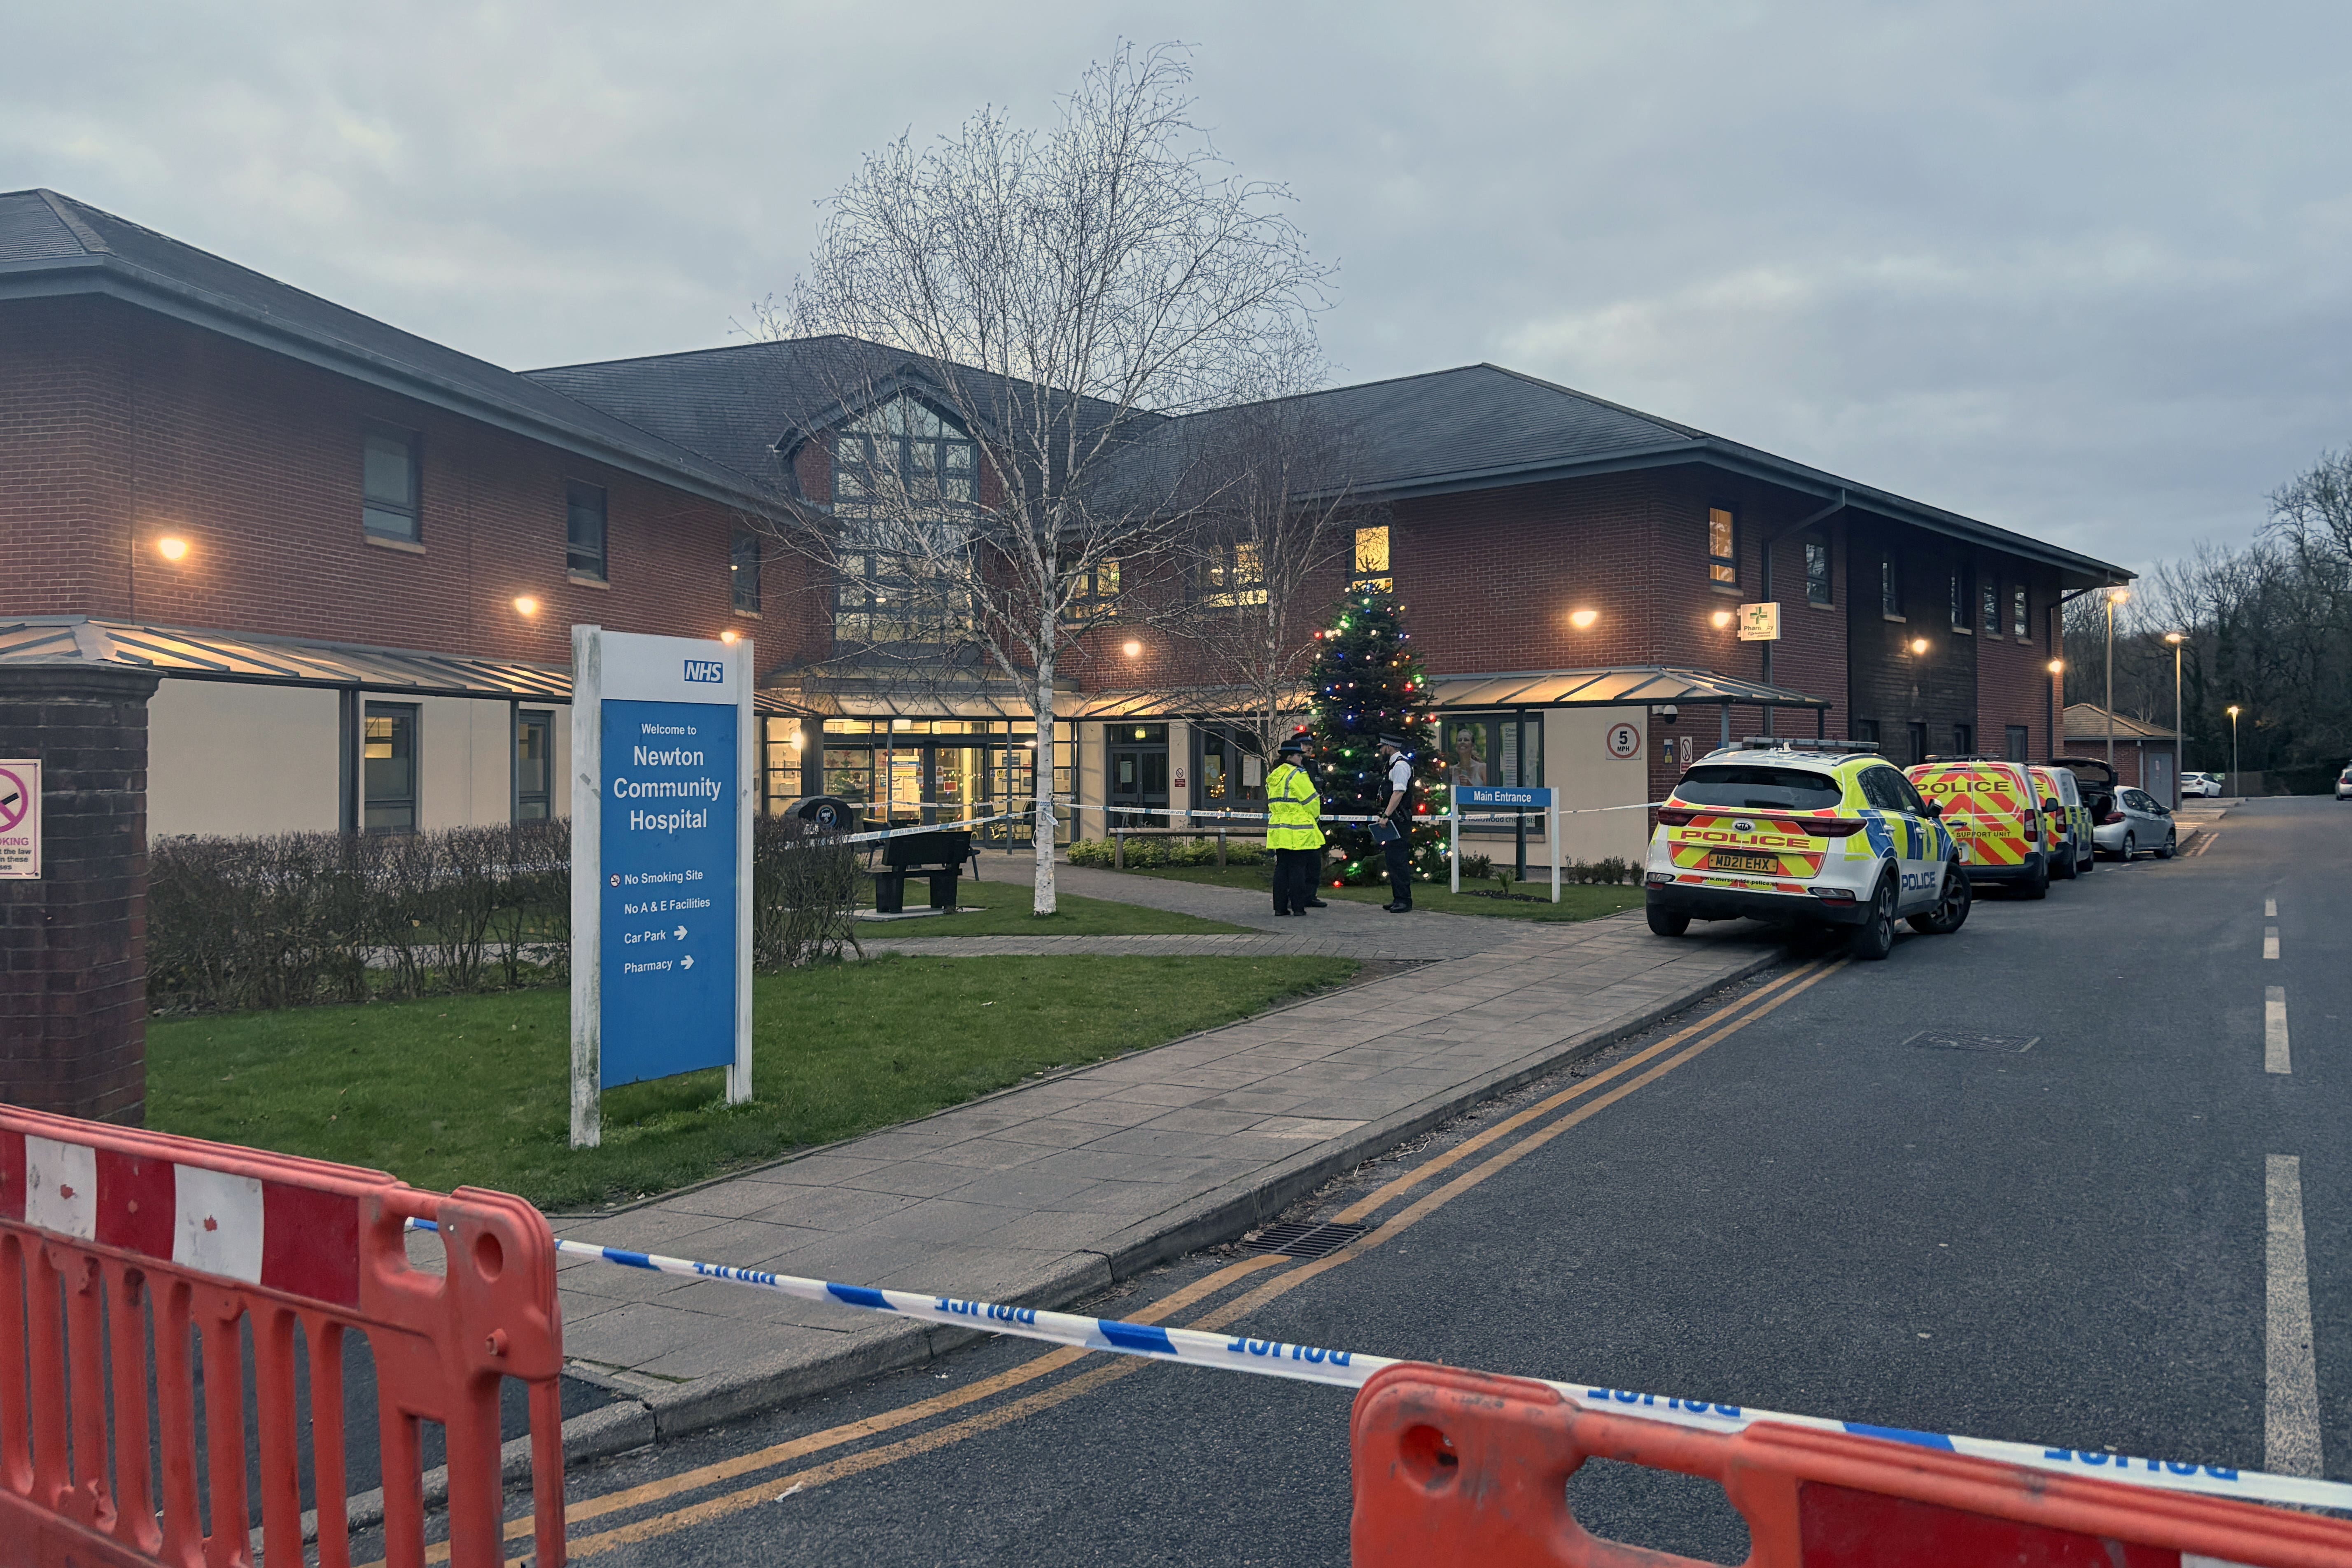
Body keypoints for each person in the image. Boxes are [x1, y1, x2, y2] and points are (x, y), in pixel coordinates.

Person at [1265, 736, 1326, 917]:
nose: (1301, 758)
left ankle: (1280, 908)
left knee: (1282, 869)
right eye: (1298, 755)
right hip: (1299, 830)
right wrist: (1315, 816)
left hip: (1279, 829)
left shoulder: (1275, 776)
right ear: (1290, 757)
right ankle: (1299, 908)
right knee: (1298, 869)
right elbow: (1312, 801)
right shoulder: (1298, 775)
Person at [1377, 733, 1416, 912]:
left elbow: (1399, 792)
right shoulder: (1392, 765)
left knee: (1399, 861)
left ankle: (1404, 901)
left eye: (1382, 748)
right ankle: (1398, 898)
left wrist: (1386, 815)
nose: (1380, 751)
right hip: (1395, 820)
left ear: (1389, 747)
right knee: (1393, 860)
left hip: (1399, 820)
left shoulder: (1400, 766)